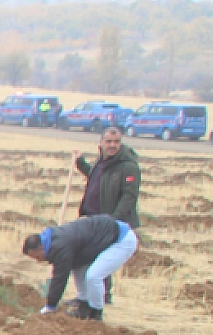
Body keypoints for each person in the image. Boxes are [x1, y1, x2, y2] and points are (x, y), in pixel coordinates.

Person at [22, 214, 138, 322]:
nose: (38, 260)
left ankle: (96, 313)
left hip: (121, 240)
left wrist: (50, 306)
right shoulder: (53, 240)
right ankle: (83, 305)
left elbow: (60, 278)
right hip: (103, 236)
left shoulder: (60, 246)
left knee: (94, 276)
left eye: (37, 257)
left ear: (41, 248)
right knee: (78, 268)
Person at [73, 126, 141, 305]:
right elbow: (96, 179)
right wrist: (81, 163)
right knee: (90, 256)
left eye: (116, 141)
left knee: (103, 259)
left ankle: (102, 297)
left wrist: (113, 220)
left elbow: (129, 196)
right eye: (109, 141)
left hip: (111, 222)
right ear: (101, 143)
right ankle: (87, 296)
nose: (112, 145)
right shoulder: (102, 161)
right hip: (93, 218)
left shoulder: (128, 166)